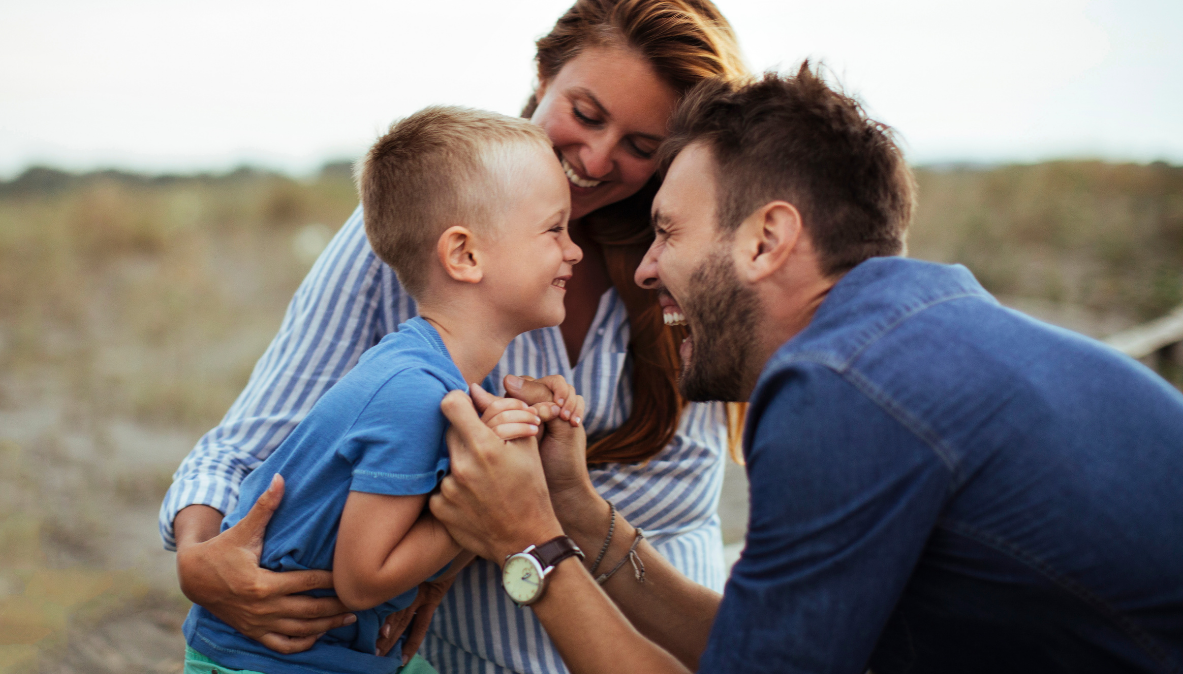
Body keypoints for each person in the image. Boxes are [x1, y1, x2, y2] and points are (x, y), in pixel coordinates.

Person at [430, 65, 1183, 674]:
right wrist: (580, 516)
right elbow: (752, 648)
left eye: (668, 231)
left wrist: (527, 542)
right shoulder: (917, 342)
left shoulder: (842, 389)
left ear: (767, 240)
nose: (650, 269)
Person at [161, 0, 752, 673]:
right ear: (542, 76)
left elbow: (656, 503)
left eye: (641, 146)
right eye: (587, 115)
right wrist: (201, 560)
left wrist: (508, 508)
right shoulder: (428, 228)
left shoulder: (686, 265)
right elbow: (261, 437)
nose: (596, 159)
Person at [182, 107, 586, 674]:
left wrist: (527, 436)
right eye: (554, 228)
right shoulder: (411, 395)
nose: (575, 250)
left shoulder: (457, 376)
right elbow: (363, 578)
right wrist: (480, 506)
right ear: (465, 255)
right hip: (268, 661)